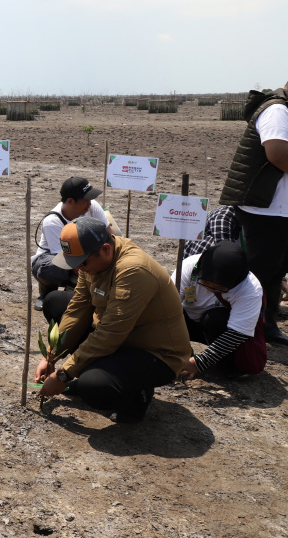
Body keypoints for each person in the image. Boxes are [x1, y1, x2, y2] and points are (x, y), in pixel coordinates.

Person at [34, 217, 192, 423]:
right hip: (120, 338)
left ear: (106, 249)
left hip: (156, 354)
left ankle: (138, 396)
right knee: (55, 302)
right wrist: (51, 356)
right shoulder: (93, 261)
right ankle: (107, 370)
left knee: (93, 386)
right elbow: (77, 309)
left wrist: (64, 374)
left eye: (82, 262)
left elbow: (110, 334)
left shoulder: (133, 270)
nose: (78, 269)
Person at [220, 70, 288, 346]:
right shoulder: (279, 110)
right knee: (262, 273)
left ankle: (264, 326)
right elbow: (277, 154)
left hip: (283, 209)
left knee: (276, 271)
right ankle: (249, 329)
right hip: (268, 210)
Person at [178, 242, 266, 379]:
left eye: (219, 288)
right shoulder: (190, 266)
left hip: (220, 328)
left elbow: (237, 333)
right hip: (189, 320)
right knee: (171, 312)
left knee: (214, 319)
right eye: (206, 283)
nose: (210, 290)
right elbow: (168, 306)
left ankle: (225, 364)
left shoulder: (250, 289)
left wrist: (199, 363)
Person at [182, 204, 288, 301]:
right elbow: (226, 255)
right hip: (212, 267)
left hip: (240, 265)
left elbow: (267, 253)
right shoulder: (223, 217)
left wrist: (280, 280)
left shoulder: (264, 220)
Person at [32, 177, 112, 310]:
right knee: (52, 268)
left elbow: (110, 235)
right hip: (59, 259)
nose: (89, 204)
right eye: (84, 201)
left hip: (86, 255)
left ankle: (76, 290)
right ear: (70, 201)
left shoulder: (92, 206)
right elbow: (67, 260)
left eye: (89, 200)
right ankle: (47, 294)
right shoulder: (52, 221)